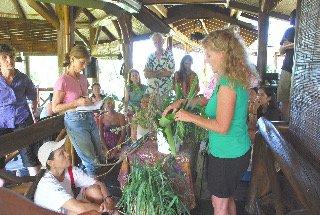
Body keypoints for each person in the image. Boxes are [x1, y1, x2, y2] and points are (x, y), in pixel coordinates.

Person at [163, 28, 253, 215]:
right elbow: (207, 100)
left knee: (219, 205)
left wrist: (189, 117)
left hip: (228, 154)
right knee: (225, 200)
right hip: (233, 150)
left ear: (223, 54)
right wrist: (184, 101)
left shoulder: (228, 83)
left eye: (209, 54)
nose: (206, 59)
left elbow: (221, 126)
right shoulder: (229, 78)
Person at [51, 45, 104, 176]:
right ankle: (95, 190)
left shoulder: (83, 79)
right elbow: (55, 108)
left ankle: (96, 185)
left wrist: (92, 102)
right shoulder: (62, 81)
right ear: (72, 59)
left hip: (89, 117)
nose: (85, 66)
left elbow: (83, 100)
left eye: (86, 62)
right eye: (82, 62)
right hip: (75, 121)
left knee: (100, 155)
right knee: (90, 160)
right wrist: (76, 102)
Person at [34, 139, 118, 215]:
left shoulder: (69, 170)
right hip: (65, 211)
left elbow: (98, 183)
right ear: (50, 163)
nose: (67, 154)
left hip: (70, 208)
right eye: (61, 153)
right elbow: (78, 208)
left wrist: (108, 199)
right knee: (88, 211)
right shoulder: (47, 184)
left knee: (94, 191)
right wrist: (109, 209)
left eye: (65, 150)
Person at [0, 44, 40, 186]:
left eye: (11, 57)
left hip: (22, 118)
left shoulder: (23, 78)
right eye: (4, 57)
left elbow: (32, 95)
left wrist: (34, 107)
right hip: (2, 121)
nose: (9, 60)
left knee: (28, 151)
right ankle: (2, 183)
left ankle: (36, 185)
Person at [144, 33, 175, 105]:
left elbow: (169, 73)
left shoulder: (169, 55)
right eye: (155, 42)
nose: (157, 43)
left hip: (165, 90)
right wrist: (161, 71)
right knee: (152, 114)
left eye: (159, 41)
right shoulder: (150, 57)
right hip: (152, 91)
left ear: (163, 41)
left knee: (165, 113)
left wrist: (153, 73)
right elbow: (146, 75)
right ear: (153, 43)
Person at [277, 9, 296, 121]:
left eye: (290, 17)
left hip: (298, 71)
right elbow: (281, 50)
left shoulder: (309, 32)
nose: (289, 19)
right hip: (288, 68)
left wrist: (292, 44)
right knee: (284, 99)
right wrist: (295, 44)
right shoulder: (290, 31)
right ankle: (285, 123)